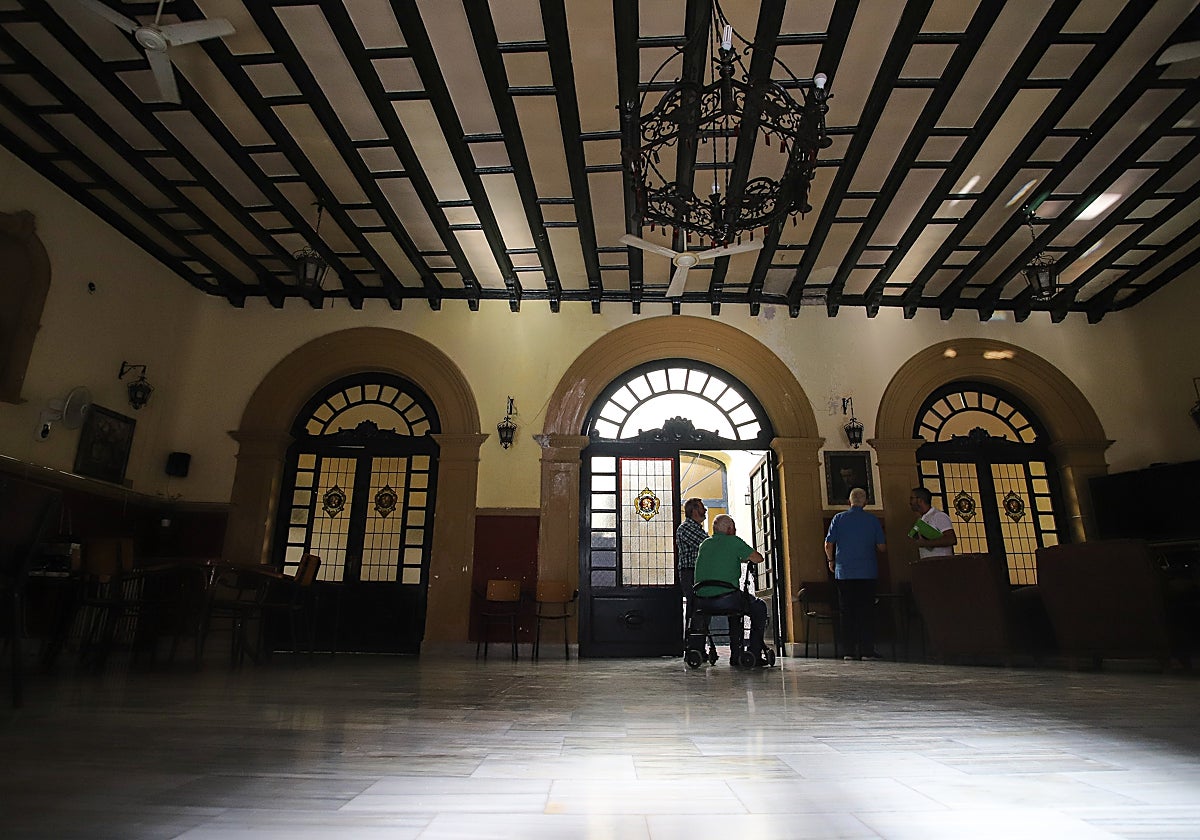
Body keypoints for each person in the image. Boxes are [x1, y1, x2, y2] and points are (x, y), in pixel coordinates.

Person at [693, 514, 769, 665]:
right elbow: (758, 558)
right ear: (729, 529)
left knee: (735, 607)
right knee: (758, 607)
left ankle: (731, 653)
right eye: (734, 528)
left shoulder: (704, 544)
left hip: (702, 600)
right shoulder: (734, 541)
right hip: (727, 599)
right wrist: (742, 557)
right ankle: (752, 653)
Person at [825, 487, 887, 661]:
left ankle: (848, 652)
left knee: (846, 612)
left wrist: (831, 561)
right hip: (867, 572)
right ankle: (867, 651)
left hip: (844, 572)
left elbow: (828, 544)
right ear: (865, 502)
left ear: (849, 502)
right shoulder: (872, 520)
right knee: (866, 612)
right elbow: (882, 547)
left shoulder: (838, 519)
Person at [675, 497, 708, 634]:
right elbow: (707, 545)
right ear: (694, 511)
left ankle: (698, 639)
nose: (705, 510)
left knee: (700, 606)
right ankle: (694, 640)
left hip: (696, 572)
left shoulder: (697, 529)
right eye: (702, 508)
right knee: (696, 606)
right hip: (690, 572)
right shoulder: (686, 528)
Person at [908, 487, 957, 558]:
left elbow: (951, 539)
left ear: (920, 500)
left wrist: (926, 543)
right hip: (928, 562)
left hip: (941, 562)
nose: (910, 502)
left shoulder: (938, 516)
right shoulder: (922, 519)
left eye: (912, 498)